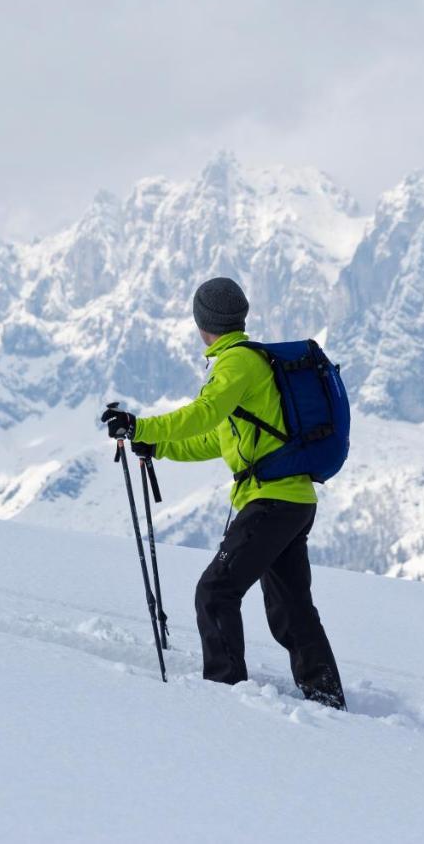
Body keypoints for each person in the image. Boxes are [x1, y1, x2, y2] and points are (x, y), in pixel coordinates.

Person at [100, 276, 347, 709]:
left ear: (202, 321)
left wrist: (141, 426)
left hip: (271, 502)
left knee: (215, 592)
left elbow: (203, 413)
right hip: (291, 501)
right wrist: (157, 445)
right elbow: (216, 439)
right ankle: (326, 696)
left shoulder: (236, 363)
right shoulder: (248, 365)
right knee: (291, 607)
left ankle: (224, 697)